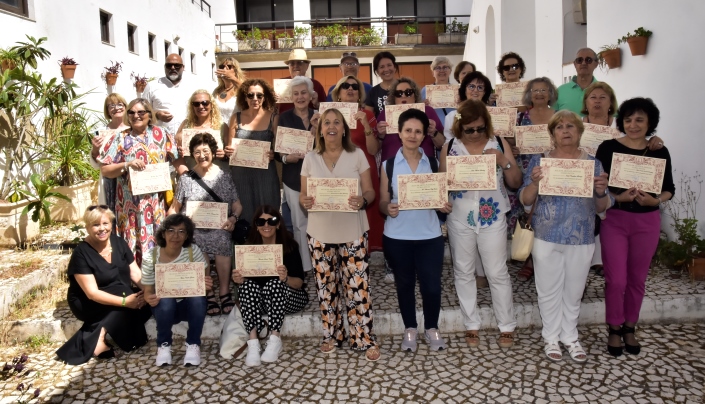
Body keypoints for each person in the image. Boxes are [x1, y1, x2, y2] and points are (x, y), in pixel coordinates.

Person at [518, 110, 612, 363]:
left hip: (581, 237)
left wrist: (601, 192)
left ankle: (570, 336)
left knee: (574, 290)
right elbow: (525, 200)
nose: (566, 130)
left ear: (580, 132)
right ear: (552, 134)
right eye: (559, 127)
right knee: (548, 291)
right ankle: (550, 337)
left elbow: (602, 207)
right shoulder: (541, 161)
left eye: (571, 126)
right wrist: (535, 183)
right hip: (546, 235)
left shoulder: (594, 164)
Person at [299, 108, 380, 362]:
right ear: (320, 130)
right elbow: (303, 197)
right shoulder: (310, 158)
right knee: (326, 287)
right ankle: (332, 335)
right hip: (320, 232)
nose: (331, 127)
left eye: (336, 122)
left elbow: (370, 192)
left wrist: (362, 201)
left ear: (344, 129)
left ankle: (363, 338)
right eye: (326, 123)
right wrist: (306, 201)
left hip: (353, 230)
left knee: (357, 287)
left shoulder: (357, 155)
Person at [595, 98, 674, 357]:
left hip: (647, 220)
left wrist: (656, 200)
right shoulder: (607, 148)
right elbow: (598, 184)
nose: (633, 124)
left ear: (650, 122)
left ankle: (630, 326)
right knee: (616, 280)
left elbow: (668, 189)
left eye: (639, 119)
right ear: (621, 122)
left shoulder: (659, 150)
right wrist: (618, 197)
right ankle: (614, 327)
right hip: (615, 219)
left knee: (637, 279)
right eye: (628, 119)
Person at [440, 100, 521, 349]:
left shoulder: (498, 143)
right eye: (469, 129)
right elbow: (442, 184)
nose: (475, 133)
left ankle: (506, 325)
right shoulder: (450, 147)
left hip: (493, 216)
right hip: (460, 218)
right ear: (459, 127)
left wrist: (502, 161)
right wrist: (442, 198)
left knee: (497, 272)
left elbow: (515, 182)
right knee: (463, 271)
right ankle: (470, 324)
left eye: (480, 128)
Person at [380, 108, 451, 352]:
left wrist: (444, 204)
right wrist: (387, 207)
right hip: (397, 236)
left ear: (424, 136)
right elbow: (381, 201)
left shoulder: (432, 162)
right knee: (404, 284)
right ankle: (410, 328)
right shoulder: (388, 165)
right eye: (408, 130)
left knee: (432, 285)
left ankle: (432, 328)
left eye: (418, 131)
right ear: (399, 133)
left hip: (429, 236)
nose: (412, 135)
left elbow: (442, 197)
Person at [56, 205, 150, 365]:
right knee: (128, 299)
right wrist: (126, 302)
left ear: (111, 224)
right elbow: (92, 293)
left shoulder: (119, 242)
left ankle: (104, 328)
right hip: (87, 301)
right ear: (87, 227)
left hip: (118, 291)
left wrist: (148, 291)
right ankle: (99, 336)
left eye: (105, 224)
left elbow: (135, 273)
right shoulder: (81, 253)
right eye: (96, 225)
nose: (102, 229)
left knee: (144, 302)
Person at [98, 98, 185, 266]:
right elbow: (105, 169)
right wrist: (126, 165)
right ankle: (137, 282)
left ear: (149, 114)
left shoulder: (162, 134)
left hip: (156, 204)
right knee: (133, 240)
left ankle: (159, 279)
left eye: (141, 112)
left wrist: (191, 179)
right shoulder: (120, 138)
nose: (136, 115)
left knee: (159, 237)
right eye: (131, 112)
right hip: (130, 205)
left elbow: (176, 161)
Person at [169, 132, 243, 315]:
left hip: (219, 226)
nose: (202, 155)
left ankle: (224, 291)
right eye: (197, 152)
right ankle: (208, 293)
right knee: (196, 243)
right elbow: (175, 207)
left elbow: (237, 204)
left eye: (205, 150)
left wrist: (233, 218)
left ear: (212, 151)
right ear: (192, 154)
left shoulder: (224, 176)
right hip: (194, 230)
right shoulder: (186, 179)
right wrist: (173, 226)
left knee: (222, 239)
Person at [232, 206, 309, 366]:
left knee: (274, 284)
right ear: (256, 225)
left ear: (278, 224)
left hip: (289, 298)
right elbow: (244, 283)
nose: (266, 226)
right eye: (261, 221)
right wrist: (239, 279)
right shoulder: (248, 249)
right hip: (261, 303)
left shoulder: (290, 247)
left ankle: (275, 338)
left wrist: (285, 278)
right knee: (246, 287)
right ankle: (253, 342)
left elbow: (299, 283)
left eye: (271, 221)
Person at [141, 214, 212, 366]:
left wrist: (205, 285)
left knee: (198, 298)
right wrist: (149, 298)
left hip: (188, 305)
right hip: (164, 309)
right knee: (165, 299)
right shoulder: (151, 256)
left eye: (181, 231)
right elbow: (147, 290)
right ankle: (164, 345)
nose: (175, 236)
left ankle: (193, 344)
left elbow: (203, 279)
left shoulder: (193, 251)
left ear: (187, 236)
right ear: (163, 233)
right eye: (171, 230)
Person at [510, 77, 558, 282]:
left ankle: (545, 259)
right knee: (529, 215)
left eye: (543, 90)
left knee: (548, 214)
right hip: (527, 168)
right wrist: (515, 147)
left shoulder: (558, 116)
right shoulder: (521, 117)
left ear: (550, 94)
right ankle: (529, 259)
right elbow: (512, 139)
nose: (539, 93)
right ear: (529, 94)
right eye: (535, 90)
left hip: (553, 169)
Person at [331, 75, 384, 252]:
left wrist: (366, 126)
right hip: (338, 168)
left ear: (360, 93)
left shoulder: (368, 114)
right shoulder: (330, 116)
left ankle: (364, 251)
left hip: (364, 169)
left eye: (354, 86)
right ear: (338, 93)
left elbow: (373, 149)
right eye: (345, 86)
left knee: (366, 208)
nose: (350, 89)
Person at [277, 76, 319, 272]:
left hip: (318, 177)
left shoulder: (319, 115)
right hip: (293, 177)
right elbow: (278, 151)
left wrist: (317, 129)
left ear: (311, 95)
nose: (300, 97)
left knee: (320, 221)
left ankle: (322, 262)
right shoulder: (284, 117)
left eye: (304, 92)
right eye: (296, 93)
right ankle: (306, 266)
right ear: (291, 96)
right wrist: (286, 159)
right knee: (299, 223)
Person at [225, 78, 280, 226]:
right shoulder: (235, 118)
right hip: (241, 175)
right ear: (245, 97)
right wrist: (229, 151)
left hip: (266, 175)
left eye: (259, 95)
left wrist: (274, 153)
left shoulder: (273, 117)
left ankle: (269, 248)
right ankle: (246, 248)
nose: (255, 99)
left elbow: (281, 148)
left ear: (265, 96)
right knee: (245, 216)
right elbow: (229, 147)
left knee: (268, 214)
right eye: (251, 95)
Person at [377, 77, 445, 163]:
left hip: (424, 167)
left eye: (408, 92)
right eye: (399, 93)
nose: (404, 96)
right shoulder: (385, 114)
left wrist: (433, 132)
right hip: (392, 169)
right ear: (394, 97)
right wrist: (380, 136)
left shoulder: (428, 111)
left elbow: (442, 144)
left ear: (415, 95)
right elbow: (374, 150)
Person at [90, 93, 129, 213]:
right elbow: (96, 164)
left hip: (128, 176)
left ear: (125, 107)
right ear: (107, 110)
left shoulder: (133, 129)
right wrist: (95, 149)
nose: (116, 108)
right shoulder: (101, 132)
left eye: (119, 104)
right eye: (111, 105)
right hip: (109, 179)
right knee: (110, 212)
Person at [176, 89, 228, 170]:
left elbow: (231, 154)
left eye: (205, 103)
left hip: (215, 177)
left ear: (211, 105)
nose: (201, 106)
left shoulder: (222, 126)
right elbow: (175, 156)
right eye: (196, 104)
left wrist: (224, 155)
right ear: (192, 106)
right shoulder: (185, 125)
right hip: (192, 175)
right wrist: (178, 151)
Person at [143, 53, 192, 134]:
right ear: (164, 67)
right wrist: (157, 114)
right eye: (169, 65)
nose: (172, 68)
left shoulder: (191, 87)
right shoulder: (152, 86)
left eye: (177, 65)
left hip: (185, 138)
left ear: (183, 67)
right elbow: (142, 111)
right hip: (159, 139)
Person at [443, 71, 495, 142]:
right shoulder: (453, 116)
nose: (475, 90)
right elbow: (449, 143)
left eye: (480, 87)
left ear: (485, 92)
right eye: (471, 86)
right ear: (464, 90)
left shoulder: (494, 114)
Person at [278, 49, 326, 114]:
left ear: (307, 66)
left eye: (299, 62)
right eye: (292, 63)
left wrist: (316, 104)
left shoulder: (316, 85)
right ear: (288, 67)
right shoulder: (279, 85)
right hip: (284, 123)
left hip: (310, 122)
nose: (295, 66)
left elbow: (325, 111)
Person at [555, 48, 599, 114]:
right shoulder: (560, 91)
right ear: (575, 64)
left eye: (588, 60)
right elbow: (552, 119)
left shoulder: (603, 91)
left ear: (596, 64)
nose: (583, 63)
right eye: (579, 60)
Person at [420, 56, 456, 123]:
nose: (442, 71)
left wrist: (461, 105)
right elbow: (419, 113)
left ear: (450, 71)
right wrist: (422, 106)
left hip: (454, 128)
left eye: (445, 67)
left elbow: (461, 113)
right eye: (438, 68)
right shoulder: (425, 90)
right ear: (433, 72)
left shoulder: (457, 90)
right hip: (434, 130)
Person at [365, 51, 399, 119]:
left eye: (389, 65)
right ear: (377, 71)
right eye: (381, 67)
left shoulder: (405, 86)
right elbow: (368, 118)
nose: (386, 69)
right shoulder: (373, 92)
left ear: (394, 67)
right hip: (381, 129)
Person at [213, 56, 245, 126]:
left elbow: (248, 92)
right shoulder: (216, 91)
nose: (224, 69)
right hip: (219, 130)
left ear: (236, 71)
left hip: (236, 129)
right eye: (222, 67)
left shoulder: (240, 88)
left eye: (229, 67)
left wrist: (232, 78)